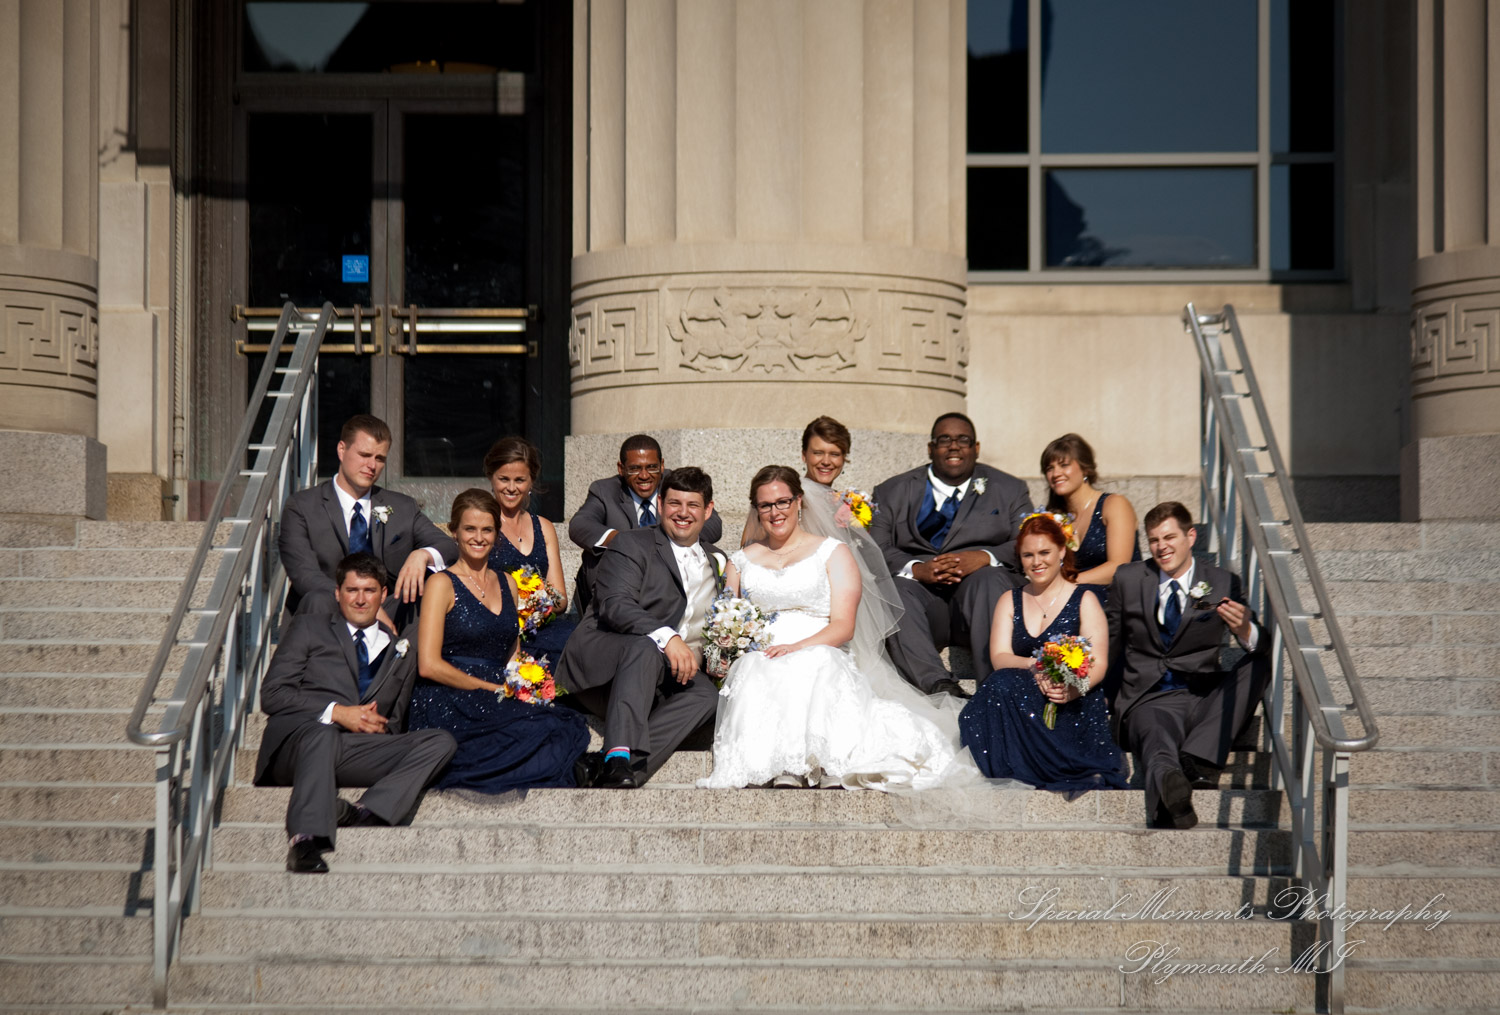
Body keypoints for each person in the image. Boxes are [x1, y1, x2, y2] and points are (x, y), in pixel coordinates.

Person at [702, 467, 959, 790]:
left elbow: (843, 626)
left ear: (799, 502)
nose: (775, 512)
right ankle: (781, 764)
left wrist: (796, 647)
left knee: (816, 663)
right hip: (763, 651)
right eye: (765, 505)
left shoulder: (833, 552)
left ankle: (825, 760)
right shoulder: (740, 561)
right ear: (756, 509)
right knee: (755, 666)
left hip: (822, 646)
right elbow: (729, 614)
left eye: (782, 502)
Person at [254, 552, 457, 874]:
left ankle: (366, 811)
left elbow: (395, 717)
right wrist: (337, 713)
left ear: (384, 595)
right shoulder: (309, 628)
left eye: (369, 591)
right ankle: (305, 840)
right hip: (300, 745)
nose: (361, 600)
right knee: (321, 734)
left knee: (440, 742)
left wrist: (379, 728)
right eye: (352, 590)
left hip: (353, 751)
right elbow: (272, 695)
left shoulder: (398, 648)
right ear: (337, 593)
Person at [407, 489, 589, 793]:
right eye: (469, 529)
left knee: (561, 721)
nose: (478, 537)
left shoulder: (508, 583)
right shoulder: (441, 584)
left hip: (497, 690)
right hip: (450, 696)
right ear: (454, 532)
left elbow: (512, 653)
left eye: (487, 529)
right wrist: (492, 687)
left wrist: (528, 685)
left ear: (497, 534)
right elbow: (428, 666)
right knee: (533, 730)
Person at [555, 467, 726, 788]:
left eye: (693, 505)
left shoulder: (716, 560)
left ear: (708, 510)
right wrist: (668, 637)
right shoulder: (632, 544)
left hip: (664, 679)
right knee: (647, 645)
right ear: (660, 505)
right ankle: (617, 755)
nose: (683, 513)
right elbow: (614, 604)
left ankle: (619, 768)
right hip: (607, 671)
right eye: (675, 503)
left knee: (707, 697)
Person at [1108, 502, 1271, 829]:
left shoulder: (1223, 582)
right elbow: (1110, 642)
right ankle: (1173, 790)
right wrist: (1106, 703)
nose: (1161, 547)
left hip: (1202, 698)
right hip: (1148, 698)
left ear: (1191, 536)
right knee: (1156, 740)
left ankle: (1197, 757)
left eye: (1169, 537)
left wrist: (1243, 630)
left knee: (1259, 664)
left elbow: (1262, 641)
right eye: (1154, 540)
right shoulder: (1129, 578)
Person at [957, 513, 1127, 791]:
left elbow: (1098, 662)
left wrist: (1073, 689)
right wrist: (1038, 665)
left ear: (1062, 551)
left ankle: (1064, 761)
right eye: (1028, 555)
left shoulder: (1085, 599)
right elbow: (1000, 657)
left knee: (1012, 686)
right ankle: (1022, 763)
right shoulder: (1009, 600)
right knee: (1001, 683)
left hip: (1070, 695)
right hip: (1023, 688)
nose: (1037, 562)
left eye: (1044, 552)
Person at [871, 413, 1032, 698]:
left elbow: (1028, 541)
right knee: (894, 588)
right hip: (921, 604)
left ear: (976, 448)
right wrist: (916, 568)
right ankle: (939, 686)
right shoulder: (892, 491)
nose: (954, 446)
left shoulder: (1009, 489)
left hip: (978, 602)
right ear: (931, 448)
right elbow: (877, 546)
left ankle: (996, 691)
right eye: (945, 439)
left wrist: (984, 556)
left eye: (963, 440)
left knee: (992, 579)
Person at [278, 414, 458, 628]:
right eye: (364, 455)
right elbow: (304, 576)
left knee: (426, 589)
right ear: (342, 450)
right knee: (317, 598)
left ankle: (404, 659)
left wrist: (422, 555)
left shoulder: (402, 507)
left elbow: (448, 546)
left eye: (379, 458)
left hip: (389, 614)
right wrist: (365, 608)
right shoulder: (302, 506)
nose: (371, 465)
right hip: (326, 616)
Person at [567, 434, 724, 613]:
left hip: (669, 578)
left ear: (662, 465)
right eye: (634, 468)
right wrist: (626, 542)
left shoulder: (675, 484)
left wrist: (667, 541)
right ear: (621, 468)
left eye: (652, 468)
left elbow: (713, 524)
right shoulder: (604, 490)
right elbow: (580, 525)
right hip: (621, 577)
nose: (644, 475)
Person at [484, 436, 577, 661]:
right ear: (491, 478)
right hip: (499, 630)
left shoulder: (543, 527)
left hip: (543, 627)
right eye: (504, 479)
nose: (512, 488)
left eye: (520, 480)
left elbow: (560, 599)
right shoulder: (483, 525)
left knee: (586, 643)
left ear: (531, 481)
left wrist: (534, 604)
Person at [1041, 433, 1140, 588]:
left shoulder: (1114, 505)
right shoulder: (1054, 517)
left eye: (1064, 465)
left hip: (1115, 598)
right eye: (1050, 468)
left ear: (1085, 469)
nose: (1056, 474)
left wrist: (1066, 583)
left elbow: (1119, 565)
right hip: (1069, 596)